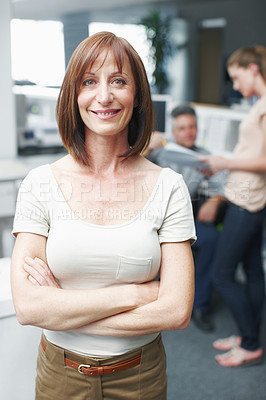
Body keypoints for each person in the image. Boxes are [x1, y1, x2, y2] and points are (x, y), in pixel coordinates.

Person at [11, 32, 196, 399]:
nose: (105, 96)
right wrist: (138, 294)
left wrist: (64, 309)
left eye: (119, 81)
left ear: (137, 95)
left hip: (139, 375)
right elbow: (30, 307)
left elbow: (176, 311)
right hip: (61, 374)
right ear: (73, 96)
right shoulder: (40, 184)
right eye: (89, 82)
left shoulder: (169, 186)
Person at [201, 45, 266, 367]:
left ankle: (250, 342)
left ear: (253, 68)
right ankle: (248, 337)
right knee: (253, 270)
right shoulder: (259, 105)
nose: (236, 86)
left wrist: (226, 161)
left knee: (223, 275)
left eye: (237, 78)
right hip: (250, 197)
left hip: (247, 201)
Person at [146, 104, 226, 332]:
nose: (189, 132)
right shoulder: (159, 149)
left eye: (192, 127)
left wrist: (216, 198)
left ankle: (199, 305)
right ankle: (153, 301)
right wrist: (145, 147)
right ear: (174, 130)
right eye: (182, 128)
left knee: (212, 239)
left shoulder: (202, 157)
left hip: (184, 219)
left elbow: (224, 184)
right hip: (152, 219)